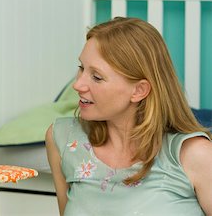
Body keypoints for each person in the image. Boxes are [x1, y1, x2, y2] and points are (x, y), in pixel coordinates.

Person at [46, 17, 212, 216]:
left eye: (96, 77)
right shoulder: (62, 139)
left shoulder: (194, 155)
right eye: (81, 68)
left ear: (139, 91)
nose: (78, 85)